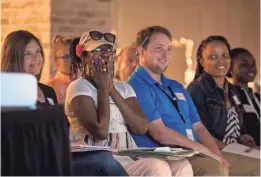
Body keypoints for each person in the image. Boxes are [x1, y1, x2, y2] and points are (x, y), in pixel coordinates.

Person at [65, 29, 193, 176]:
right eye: (98, 53)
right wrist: (103, 89)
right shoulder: (79, 87)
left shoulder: (123, 88)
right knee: (157, 167)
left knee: (181, 165)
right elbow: (101, 131)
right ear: (84, 58)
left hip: (126, 157)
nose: (105, 58)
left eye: (109, 53)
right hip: (98, 161)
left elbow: (140, 128)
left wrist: (112, 89)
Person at [186, 36, 260, 175]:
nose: (221, 61)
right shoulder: (197, 90)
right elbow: (199, 132)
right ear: (202, 62)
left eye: (224, 55)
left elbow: (240, 130)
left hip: (235, 149)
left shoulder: (233, 90)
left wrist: (248, 143)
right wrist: (232, 149)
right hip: (212, 151)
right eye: (213, 57)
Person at [1, 30, 57, 108]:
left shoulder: (49, 91)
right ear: (14, 59)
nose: (36, 57)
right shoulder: (8, 96)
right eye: (28, 53)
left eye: (38, 51)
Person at [228, 47, 260, 145]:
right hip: (246, 154)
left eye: (253, 64)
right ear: (230, 67)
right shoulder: (228, 96)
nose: (251, 68)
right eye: (244, 64)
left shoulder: (257, 97)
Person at [47, 35, 73, 104]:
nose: (71, 60)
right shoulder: (50, 87)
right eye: (66, 57)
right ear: (56, 60)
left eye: (73, 56)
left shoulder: (84, 83)